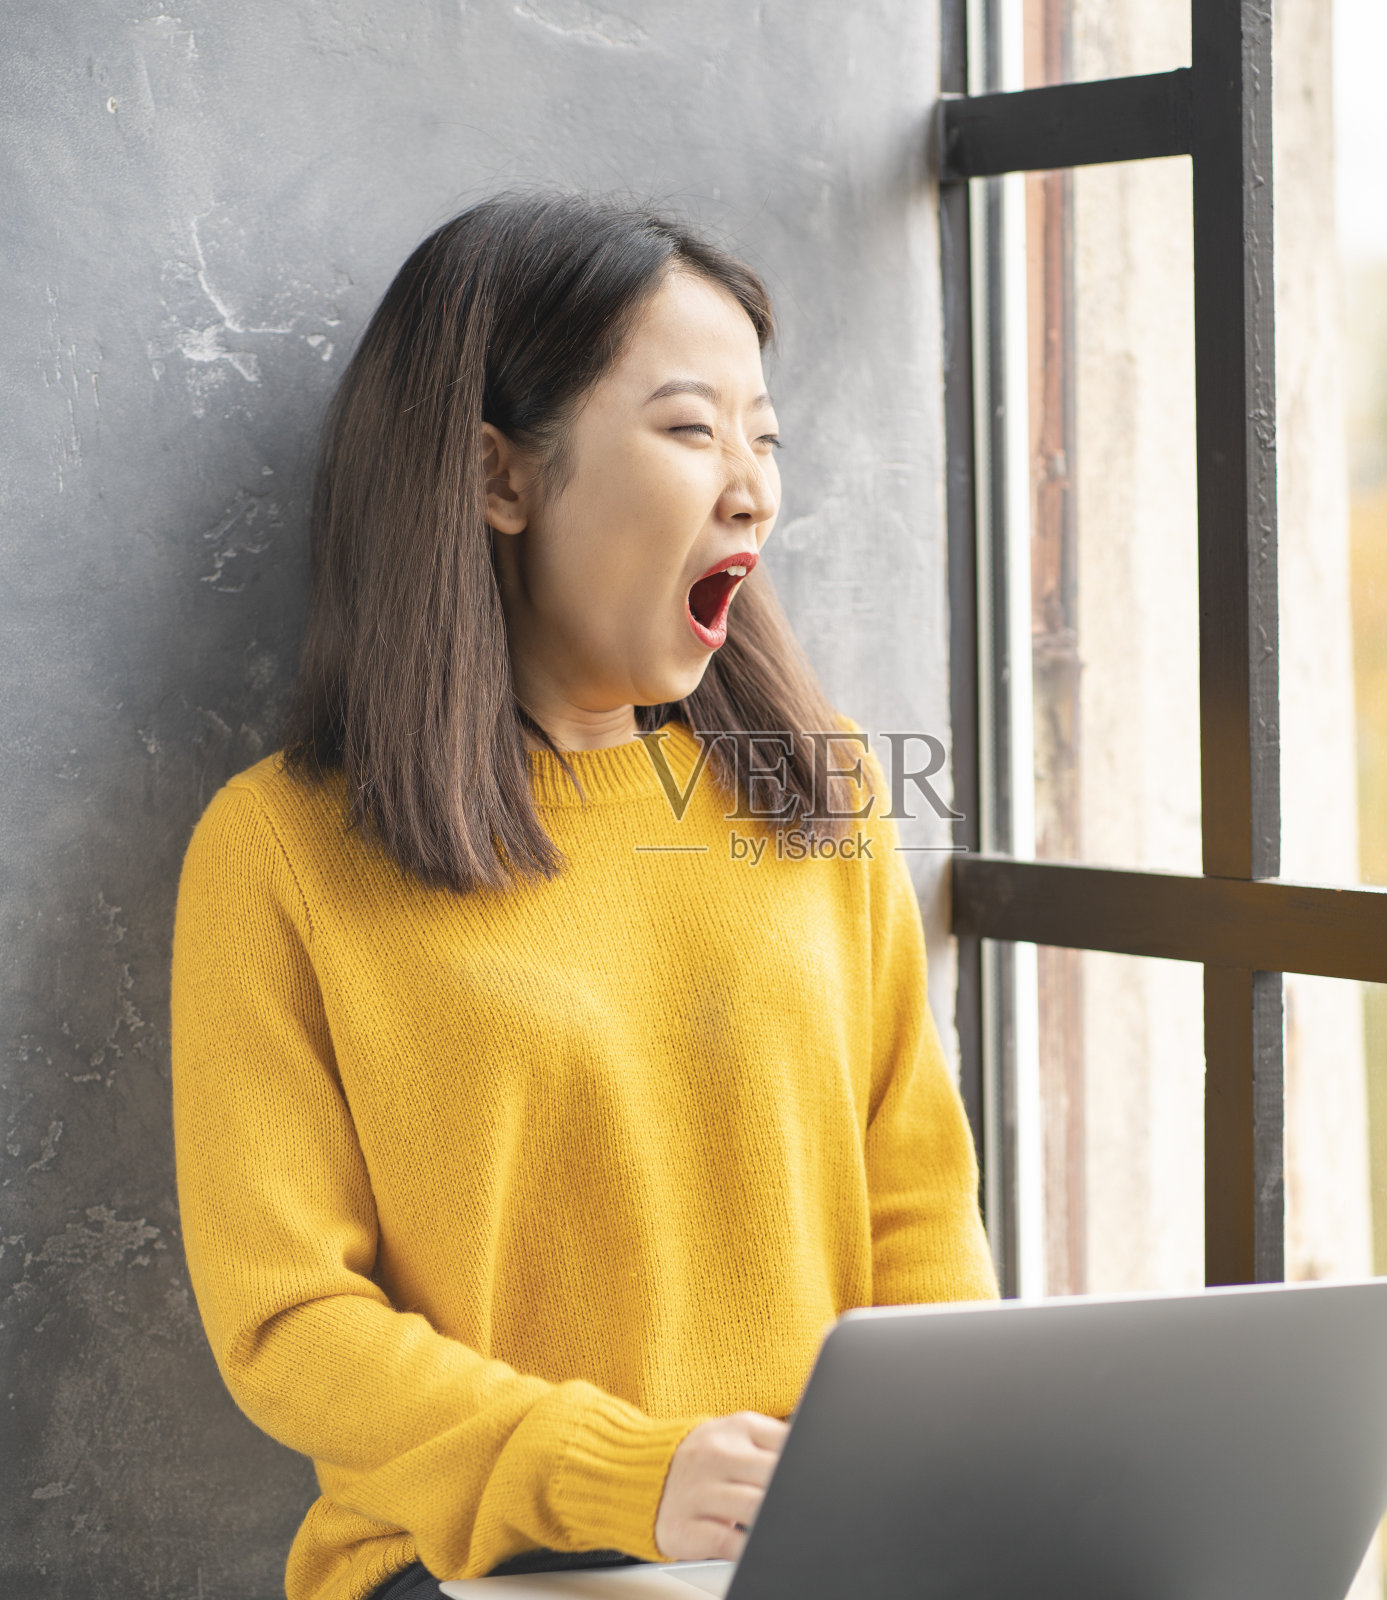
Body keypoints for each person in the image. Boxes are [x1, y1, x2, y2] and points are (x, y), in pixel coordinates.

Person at [169, 192, 997, 1600]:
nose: (753, 486)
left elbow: (917, 1209)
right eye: (690, 430)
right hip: (485, 1568)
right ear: (500, 477)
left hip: (827, 1552)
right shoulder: (280, 853)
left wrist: (941, 1475)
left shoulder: (822, 794)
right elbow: (291, 1323)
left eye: (764, 436)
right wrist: (634, 1475)